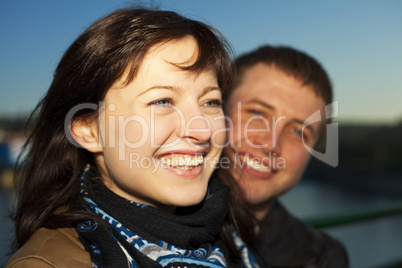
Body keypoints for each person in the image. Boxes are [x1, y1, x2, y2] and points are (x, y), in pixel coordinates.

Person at [6, 8, 260, 268]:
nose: (203, 130)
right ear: (88, 130)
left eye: (210, 101)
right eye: (162, 101)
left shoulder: (237, 235)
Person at [223, 45, 349, 267]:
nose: (272, 143)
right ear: (218, 108)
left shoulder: (322, 259)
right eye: (257, 113)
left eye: (299, 132)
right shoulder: (147, 225)